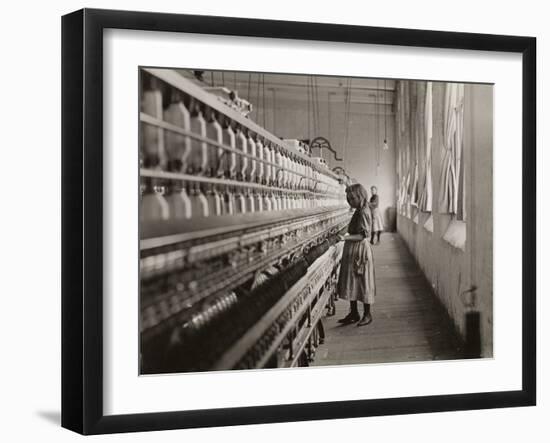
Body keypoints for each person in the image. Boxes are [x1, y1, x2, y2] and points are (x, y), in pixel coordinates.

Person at [336, 184, 376, 326]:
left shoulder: (364, 211)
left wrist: (344, 238)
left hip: (360, 250)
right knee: (353, 281)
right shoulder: (359, 210)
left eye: (352, 198)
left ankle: (367, 314)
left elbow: (363, 235)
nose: (349, 201)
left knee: (363, 281)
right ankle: (354, 313)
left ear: (360, 196)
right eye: (348, 198)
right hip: (354, 250)